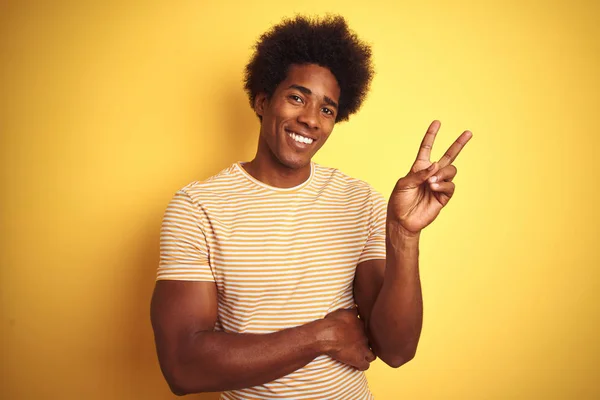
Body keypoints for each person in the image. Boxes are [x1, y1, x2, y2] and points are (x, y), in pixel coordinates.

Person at [150, 14, 472, 400]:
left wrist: (404, 235)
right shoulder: (198, 208)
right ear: (263, 100)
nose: (310, 119)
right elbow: (183, 367)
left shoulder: (359, 200)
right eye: (297, 97)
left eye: (327, 109)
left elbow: (397, 350)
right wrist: (321, 337)